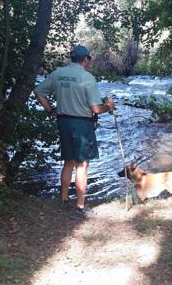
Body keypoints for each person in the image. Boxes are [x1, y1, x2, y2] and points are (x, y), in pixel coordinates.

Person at [34, 45, 115, 219]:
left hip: (63, 122)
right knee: (82, 165)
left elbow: (39, 91)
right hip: (82, 125)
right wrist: (108, 106)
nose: (89, 63)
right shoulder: (87, 77)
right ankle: (80, 207)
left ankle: (64, 200)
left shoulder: (58, 74)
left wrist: (50, 110)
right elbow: (95, 108)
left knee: (68, 162)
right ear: (85, 59)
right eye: (89, 60)